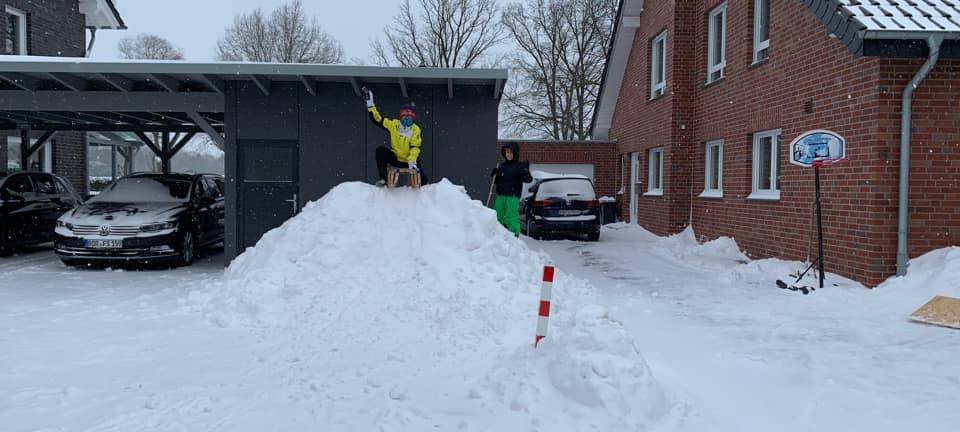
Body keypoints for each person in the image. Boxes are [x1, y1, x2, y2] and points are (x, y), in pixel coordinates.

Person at [362, 87, 425, 186]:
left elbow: (415, 147)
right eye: (405, 116)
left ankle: (426, 187)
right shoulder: (394, 125)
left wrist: (412, 161)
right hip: (396, 159)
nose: (407, 119)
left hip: (410, 161)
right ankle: (383, 179)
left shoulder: (415, 130)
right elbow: (378, 120)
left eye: (410, 117)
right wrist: (371, 106)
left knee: (423, 178)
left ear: (413, 118)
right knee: (380, 151)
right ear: (400, 117)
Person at [491, 142, 532, 236]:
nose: (508, 154)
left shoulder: (519, 166)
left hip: (513, 196)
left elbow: (528, 180)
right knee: (498, 215)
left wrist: (525, 171)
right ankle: (498, 236)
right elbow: (496, 182)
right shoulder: (502, 166)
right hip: (501, 196)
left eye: (510, 152)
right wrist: (495, 174)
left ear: (515, 153)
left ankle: (514, 236)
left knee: (511, 217)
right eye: (506, 152)